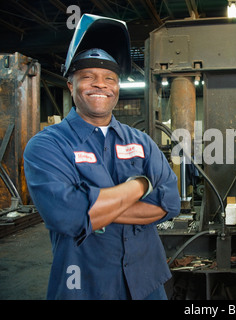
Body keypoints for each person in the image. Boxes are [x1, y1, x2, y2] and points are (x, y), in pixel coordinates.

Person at [23, 15, 180, 300]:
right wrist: (141, 187)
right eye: (88, 77)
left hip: (146, 282)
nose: (101, 85)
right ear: (71, 85)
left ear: (117, 87)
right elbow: (67, 216)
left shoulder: (142, 142)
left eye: (110, 78)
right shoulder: (46, 145)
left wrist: (94, 212)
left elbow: (169, 203)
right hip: (84, 284)